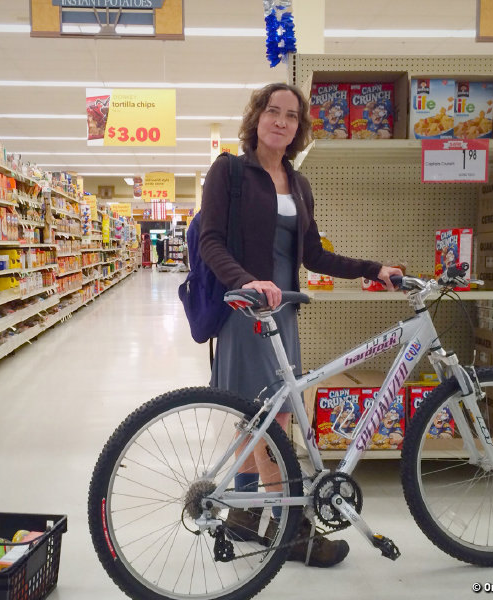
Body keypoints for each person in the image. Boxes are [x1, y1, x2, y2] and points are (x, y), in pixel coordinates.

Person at [199, 82, 402, 568]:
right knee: (274, 419)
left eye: (291, 116)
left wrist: (372, 269)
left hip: (283, 312)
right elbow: (210, 243)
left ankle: (246, 516)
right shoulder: (229, 171)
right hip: (247, 311)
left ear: (299, 128)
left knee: (261, 418)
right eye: (273, 111)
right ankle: (293, 532)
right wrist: (249, 283)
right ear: (257, 117)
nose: (282, 121)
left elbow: (313, 254)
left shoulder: (298, 183)